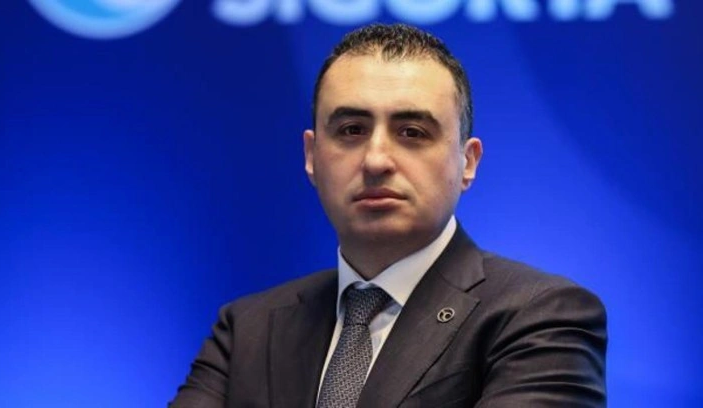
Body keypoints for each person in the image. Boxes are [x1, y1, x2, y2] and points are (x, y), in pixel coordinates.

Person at [171, 23, 607, 407]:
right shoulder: (247, 328)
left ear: (467, 162)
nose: (376, 160)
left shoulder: (541, 317)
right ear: (312, 156)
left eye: (412, 132)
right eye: (351, 130)